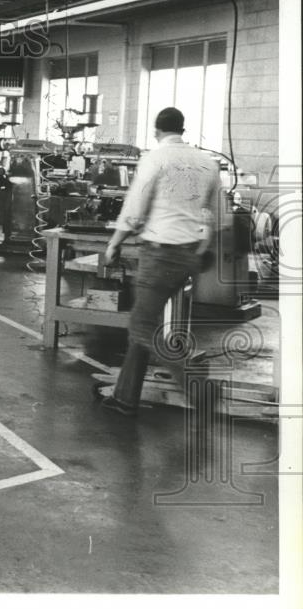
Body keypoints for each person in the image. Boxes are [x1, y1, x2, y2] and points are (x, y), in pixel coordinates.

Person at [100, 107, 221, 416]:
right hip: (189, 255)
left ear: (157, 130)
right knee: (147, 321)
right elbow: (219, 215)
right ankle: (125, 398)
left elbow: (135, 208)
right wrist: (199, 245)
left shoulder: (155, 158)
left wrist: (114, 244)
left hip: (160, 253)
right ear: (183, 129)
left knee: (141, 326)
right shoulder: (207, 163)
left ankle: (197, 386)